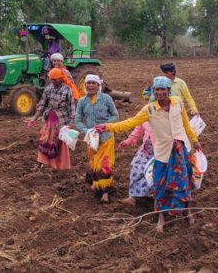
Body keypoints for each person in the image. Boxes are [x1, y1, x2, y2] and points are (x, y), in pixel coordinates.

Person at [95, 76, 201, 233]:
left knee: (183, 182)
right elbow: (130, 123)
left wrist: (194, 140)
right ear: (154, 90)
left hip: (180, 149)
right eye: (157, 89)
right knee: (160, 185)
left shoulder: (178, 102)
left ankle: (187, 213)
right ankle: (161, 218)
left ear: (168, 90)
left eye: (163, 89)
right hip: (162, 152)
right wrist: (108, 127)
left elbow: (185, 123)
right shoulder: (149, 109)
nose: (160, 92)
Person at [75, 74, 119, 203]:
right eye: (88, 83)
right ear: (85, 85)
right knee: (94, 164)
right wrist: (86, 130)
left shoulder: (106, 99)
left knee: (104, 165)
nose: (91, 86)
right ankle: (96, 186)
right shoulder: (82, 101)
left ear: (98, 86)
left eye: (93, 83)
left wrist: (105, 125)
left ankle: (106, 192)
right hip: (92, 139)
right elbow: (77, 120)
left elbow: (115, 115)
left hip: (106, 138)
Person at [116, 86, 157, 206]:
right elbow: (138, 128)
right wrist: (128, 141)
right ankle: (133, 197)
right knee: (136, 166)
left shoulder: (165, 113)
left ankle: (154, 196)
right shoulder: (145, 113)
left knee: (154, 173)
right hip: (146, 148)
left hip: (160, 150)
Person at [28, 67, 75, 170]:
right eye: (51, 79)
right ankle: (40, 164)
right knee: (44, 141)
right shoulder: (48, 88)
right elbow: (42, 104)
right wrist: (34, 118)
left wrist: (71, 122)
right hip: (49, 120)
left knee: (58, 144)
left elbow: (71, 107)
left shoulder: (67, 90)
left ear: (60, 78)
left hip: (61, 121)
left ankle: (59, 166)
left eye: (55, 79)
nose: (52, 81)